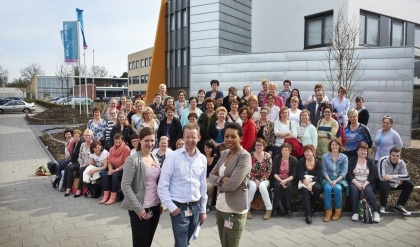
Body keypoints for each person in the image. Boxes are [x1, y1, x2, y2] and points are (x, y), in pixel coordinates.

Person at [158, 123, 207, 247]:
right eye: (187, 137)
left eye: (193, 137)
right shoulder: (172, 157)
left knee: (186, 242)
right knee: (181, 244)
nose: (190, 140)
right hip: (179, 208)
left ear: (199, 138)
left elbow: (203, 186)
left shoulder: (202, 159)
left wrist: (202, 210)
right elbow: (163, 185)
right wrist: (171, 207)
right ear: (183, 137)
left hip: (196, 208)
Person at [208, 123, 252, 247]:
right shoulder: (225, 153)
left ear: (241, 138)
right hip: (220, 206)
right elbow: (211, 176)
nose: (229, 139)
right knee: (224, 243)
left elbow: (233, 185)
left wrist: (218, 182)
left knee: (231, 244)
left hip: (235, 209)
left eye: (233, 137)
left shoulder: (245, 156)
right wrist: (222, 179)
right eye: (226, 136)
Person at [121, 127, 162, 247]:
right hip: (141, 208)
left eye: (152, 141)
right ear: (140, 140)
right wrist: (138, 208)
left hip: (155, 206)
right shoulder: (132, 159)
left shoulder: (154, 158)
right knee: (140, 243)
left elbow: (158, 182)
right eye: (147, 141)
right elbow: (125, 186)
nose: (150, 144)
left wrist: (161, 203)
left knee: (148, 241)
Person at [347, 142, 380, 222]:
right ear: (357, 151)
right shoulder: (352, 160)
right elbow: (348, 174)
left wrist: (365, 184)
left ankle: (376, 211)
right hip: (355, 181)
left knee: (368, 191)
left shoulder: (370, 161)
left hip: (367, 182)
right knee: (354, 190)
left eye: (365, 150)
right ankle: (355, 212)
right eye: (361, 150)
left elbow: (374, 175)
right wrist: (357, 184)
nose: (363, 152)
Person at [377, 147, 414, 216]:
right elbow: (382, 177)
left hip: (393, 183)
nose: (395, 157)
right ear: (390, 155)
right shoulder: (383, 160)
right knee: (385, 184)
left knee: (410, 185)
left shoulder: (401, 163)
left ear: (400, 156)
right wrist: (397, 181)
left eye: (397, 156)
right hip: (381, 183)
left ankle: (399, 206)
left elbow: (407, 176)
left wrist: (393, 177)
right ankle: (382, 206)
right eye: (393, 155)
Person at [321, 138, 348, 222]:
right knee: (327, 188)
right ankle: (328, 212)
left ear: (339, 146)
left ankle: (338, 211)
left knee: (337, 188)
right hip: (327, 179)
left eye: (336, 145)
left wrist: (335, 181)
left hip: (340, 179)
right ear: (330, 146)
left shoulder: (344, 157)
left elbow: (344, 172)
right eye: (332, 145)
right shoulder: (325, 156)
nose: (334, 146)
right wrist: (330, 181)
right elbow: (324, 171)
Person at [100, 133, 131, 205]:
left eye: (119, 139)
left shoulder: (126, 149)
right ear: (113, 140)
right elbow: (109, 161)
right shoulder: (111, 149)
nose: (117, 141)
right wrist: (110, 169)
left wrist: (115, 170)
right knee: (104, 174)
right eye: (116, 139)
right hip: (113, 168)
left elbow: (125, 163)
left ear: (122, 140)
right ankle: (106, 196)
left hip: (122, 169)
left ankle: (113, 197)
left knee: (115, 176)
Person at [247, 138, 273, 220]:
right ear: (254, 146)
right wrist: (254, 180)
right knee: (252, 186)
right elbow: (247, 170)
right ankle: (246, 209)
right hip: (251, 178)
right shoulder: (250, 156)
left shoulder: (267, 156)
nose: (259, 146)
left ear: (263, 146)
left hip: (264, 179)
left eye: (260, 145)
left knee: (262, 186)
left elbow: (269, 170)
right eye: (257, 145)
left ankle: (269, 209)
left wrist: (261, 180)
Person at [298, 144, 322, 224]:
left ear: (313, 152)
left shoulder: (317, 162)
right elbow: (300, 175)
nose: (306, 153)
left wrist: (310, 180)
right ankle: (308, 215)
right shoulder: (301, 161)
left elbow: (318, 176)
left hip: (314, 181)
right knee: (305, 191)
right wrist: (307, 184)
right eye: (305, 152)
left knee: (317, 188)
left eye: (308, 151)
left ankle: (312, 207)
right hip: (304, 181)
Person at [271, 143, 298, 216]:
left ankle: (288, 208)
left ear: (290, 151)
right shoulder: (277, 158)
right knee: (277, 186)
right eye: (283, 150)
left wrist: (285, 181)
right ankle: (275, 208)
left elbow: (294, 174)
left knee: (288, 186)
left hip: (288, 179)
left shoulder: (294, 160)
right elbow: (274, 172)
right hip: (278, 178)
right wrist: (281, 181)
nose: (284, 152)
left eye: (286, 150)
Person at [64, 129, 92, 197]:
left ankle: (79, 190)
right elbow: (80, 156)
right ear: (84, 136)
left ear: (91, 136)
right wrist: (81, 164)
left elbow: (93, 158)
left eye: (88, 135)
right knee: (68, 167)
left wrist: (84, 165)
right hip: (81, 163)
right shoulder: (82, 145)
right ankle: (68, 187)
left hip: (89, 164)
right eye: (86, 135)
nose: (87, 137)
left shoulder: (93, 144)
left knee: (80, 169)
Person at [203, 141, 219, 212]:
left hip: (212, 178)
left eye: (209, 148)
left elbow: (216, 171)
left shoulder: (215, 158)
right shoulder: (201, 157)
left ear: (212, 149)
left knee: (209, 185)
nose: (207, 150)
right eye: (206, 148)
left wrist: (209, 178)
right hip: (203, 178)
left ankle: (209, 202)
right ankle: (203, 203)